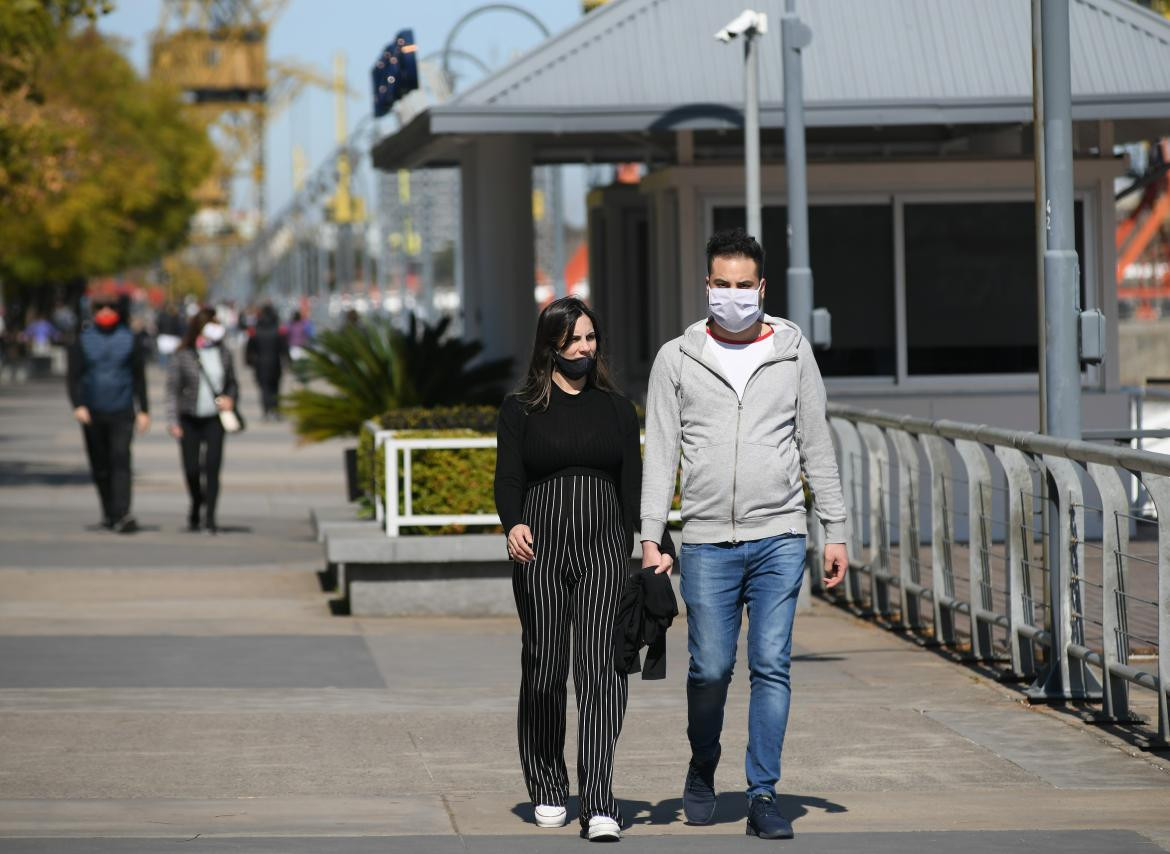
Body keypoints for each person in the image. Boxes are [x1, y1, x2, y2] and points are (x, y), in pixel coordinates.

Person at [639, 227, 849, 840]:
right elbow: (662, 454)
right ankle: (703, 764)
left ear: (762, 287)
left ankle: (762, 792)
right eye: (721, 285)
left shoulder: (791, 350)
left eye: (743, 286)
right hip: (705, 539)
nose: (732, 295)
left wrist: (833, 528)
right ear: (707, 286)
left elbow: (817, 442)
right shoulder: (676, 359)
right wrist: (652, 534)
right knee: (708, 669)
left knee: (771, 665)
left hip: (780, 535)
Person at [494, 296, 675, 842]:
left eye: (590, 338)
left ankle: (599, 797)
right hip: (541, 548)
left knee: (601, 669)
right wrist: (513, 524)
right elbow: (509, 478)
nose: (584, 349)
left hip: (604, 547)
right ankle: (548, 783)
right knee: (546, 666)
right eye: (573, 340)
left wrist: (653, 543)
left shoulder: (618, 409)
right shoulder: (520, 407)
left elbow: (634, 484)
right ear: (550, 346)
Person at [67, 294, 150, 533]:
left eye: (111, 307)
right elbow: (73, 377)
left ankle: (123, 513)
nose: (106, 311)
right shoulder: (83, 340)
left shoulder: (129, 339)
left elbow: (139, 377)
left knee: (121, 459)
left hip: (122, 410)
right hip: (92, 411)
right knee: (100, 465)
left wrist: (144, 410)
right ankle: (109, 512)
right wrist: (78, 405)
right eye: (100, 307)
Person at [166, 307, 239, 534]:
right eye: (212, 324)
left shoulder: (224, 353)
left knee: (213, 467)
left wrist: (231, 398)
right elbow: (172, 390)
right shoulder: (183, 354)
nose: (217, 328)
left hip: (215, 419)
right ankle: (197, 503)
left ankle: (211, 517)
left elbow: (232, 383)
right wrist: (172, 420)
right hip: (189, 418)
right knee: (191, 469)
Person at [245, 303, 287, 420]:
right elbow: (284, 348)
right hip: (275, 362)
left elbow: (249, 349)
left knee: (264, 388)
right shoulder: (277, 330)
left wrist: (249, 362)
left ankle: (267, 410)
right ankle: (275, 409)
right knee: (275, 387)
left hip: (261, 363)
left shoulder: (256, 331)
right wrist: (288, 361)